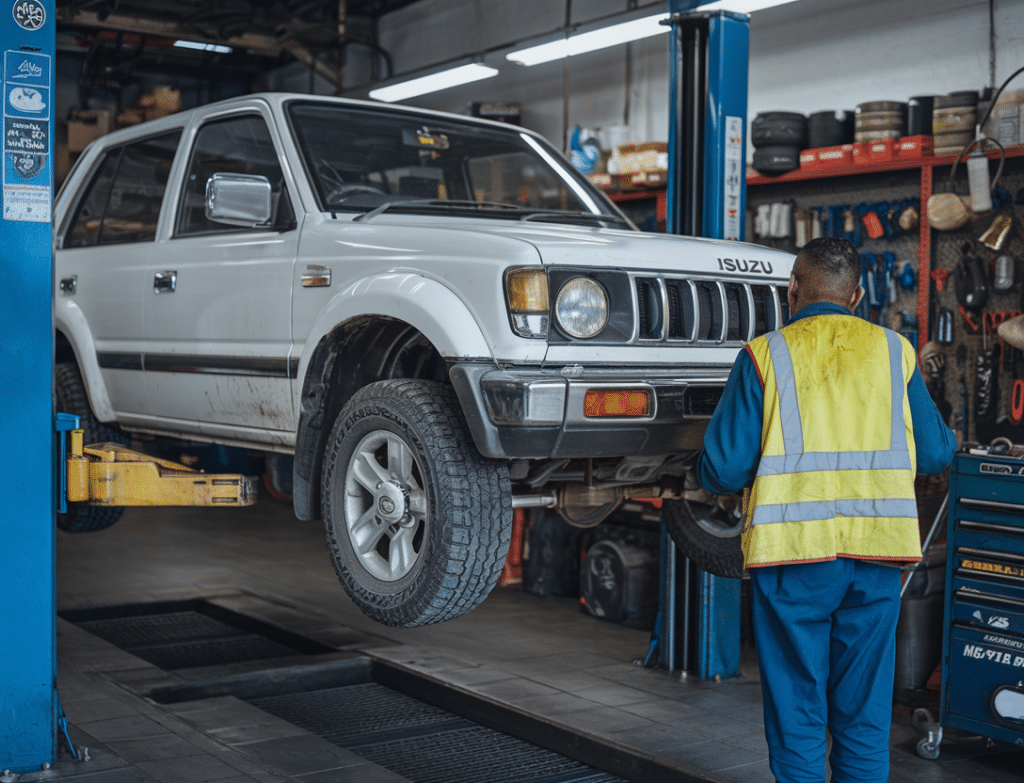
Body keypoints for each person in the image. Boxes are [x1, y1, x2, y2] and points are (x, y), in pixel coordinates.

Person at [695, 237, 956, 783]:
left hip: (793, 556)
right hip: (878, 554)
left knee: (798, 705)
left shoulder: (764, 355)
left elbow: (721, 469)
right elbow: (936, 454)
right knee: (864, 709)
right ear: (857, 295)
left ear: (792, 287)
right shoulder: (895, 352)